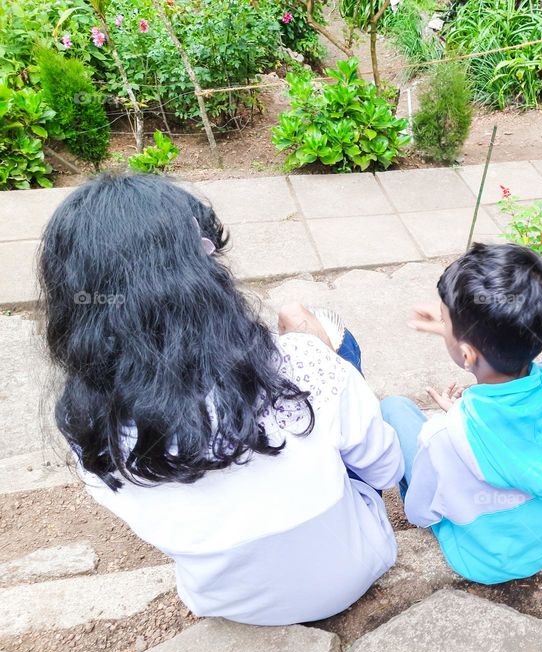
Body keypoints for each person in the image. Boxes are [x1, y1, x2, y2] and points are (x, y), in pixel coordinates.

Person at [39, 173, 403, 625]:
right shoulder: (293, 363)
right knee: (332, 348)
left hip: (230, 604)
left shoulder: (86, 422)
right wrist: (323, 356)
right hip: (356, 568)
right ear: (203, 277)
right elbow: (386, 470)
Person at [380, 243, 542, 584]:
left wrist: (455, 421)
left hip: (488, 563)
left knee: (393, 408)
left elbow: (420, 513)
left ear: (467, 355)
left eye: (446, 320)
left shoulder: (443, 436)